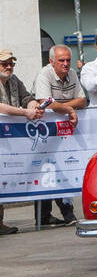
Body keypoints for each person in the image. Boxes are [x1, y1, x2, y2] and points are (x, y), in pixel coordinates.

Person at [31, 45, 86, 227]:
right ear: (51, 61)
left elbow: (82, 100)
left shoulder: (72, 73)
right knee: (44, 170)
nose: (66, 64)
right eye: (61, 60)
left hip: (64, 130)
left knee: (64, 168)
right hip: (42, 131)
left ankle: (66, 212)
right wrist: (69, 108)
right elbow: (44, 102)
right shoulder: (43, 75)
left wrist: (60, 107)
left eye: (68, 60)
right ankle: (44, 216)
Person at [0, 49, 48, 234]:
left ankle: (0, 222)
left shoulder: (14, 80)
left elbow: (26, 97)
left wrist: (34, 106)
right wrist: (25, 112)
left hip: (9, 139)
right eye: (5, 63)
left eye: (11, 63)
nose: (9, 67)